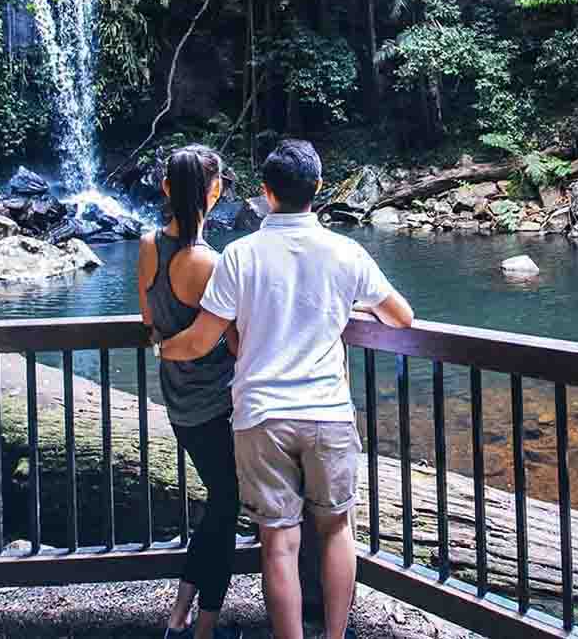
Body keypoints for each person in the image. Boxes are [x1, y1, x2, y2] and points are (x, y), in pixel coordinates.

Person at [158, 139, 414, 639]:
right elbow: (401, 318)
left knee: (278, 542)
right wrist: (343, 310)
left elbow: (200, 340)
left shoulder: (239, 255)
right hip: (327, 411)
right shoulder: (345, 251)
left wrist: (162, 348)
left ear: (265, 193)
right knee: (338, 529)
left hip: (260, 416)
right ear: (318, 189)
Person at [140, 145, 242, 639]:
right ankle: (202, 624)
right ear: (215, 191)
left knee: (222, 504)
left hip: (178, 402)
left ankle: (181, 611)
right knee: (227, 506)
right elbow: (235, 340)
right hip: (217, 404)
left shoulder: (147, 246)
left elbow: (151, 325)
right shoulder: (209, 262)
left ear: (165, 189)